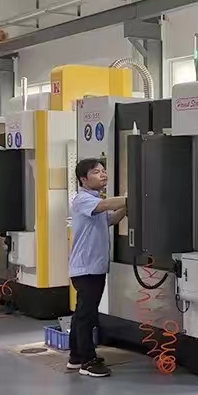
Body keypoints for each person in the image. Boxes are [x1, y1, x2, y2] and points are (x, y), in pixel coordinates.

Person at [68, 159, 126, 378]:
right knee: (87, 315)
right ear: (84, 179)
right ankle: (87, 361)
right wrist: (136, 196)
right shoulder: (83, 199)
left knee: (82, 313)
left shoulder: (94, 200)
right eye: (96, 172)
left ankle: (76, 357)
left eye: (103, 170)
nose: (103, 174)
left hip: (93, 267)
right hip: (86, 268)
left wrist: (127, 207)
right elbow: (106, 206)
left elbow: (110, 219)